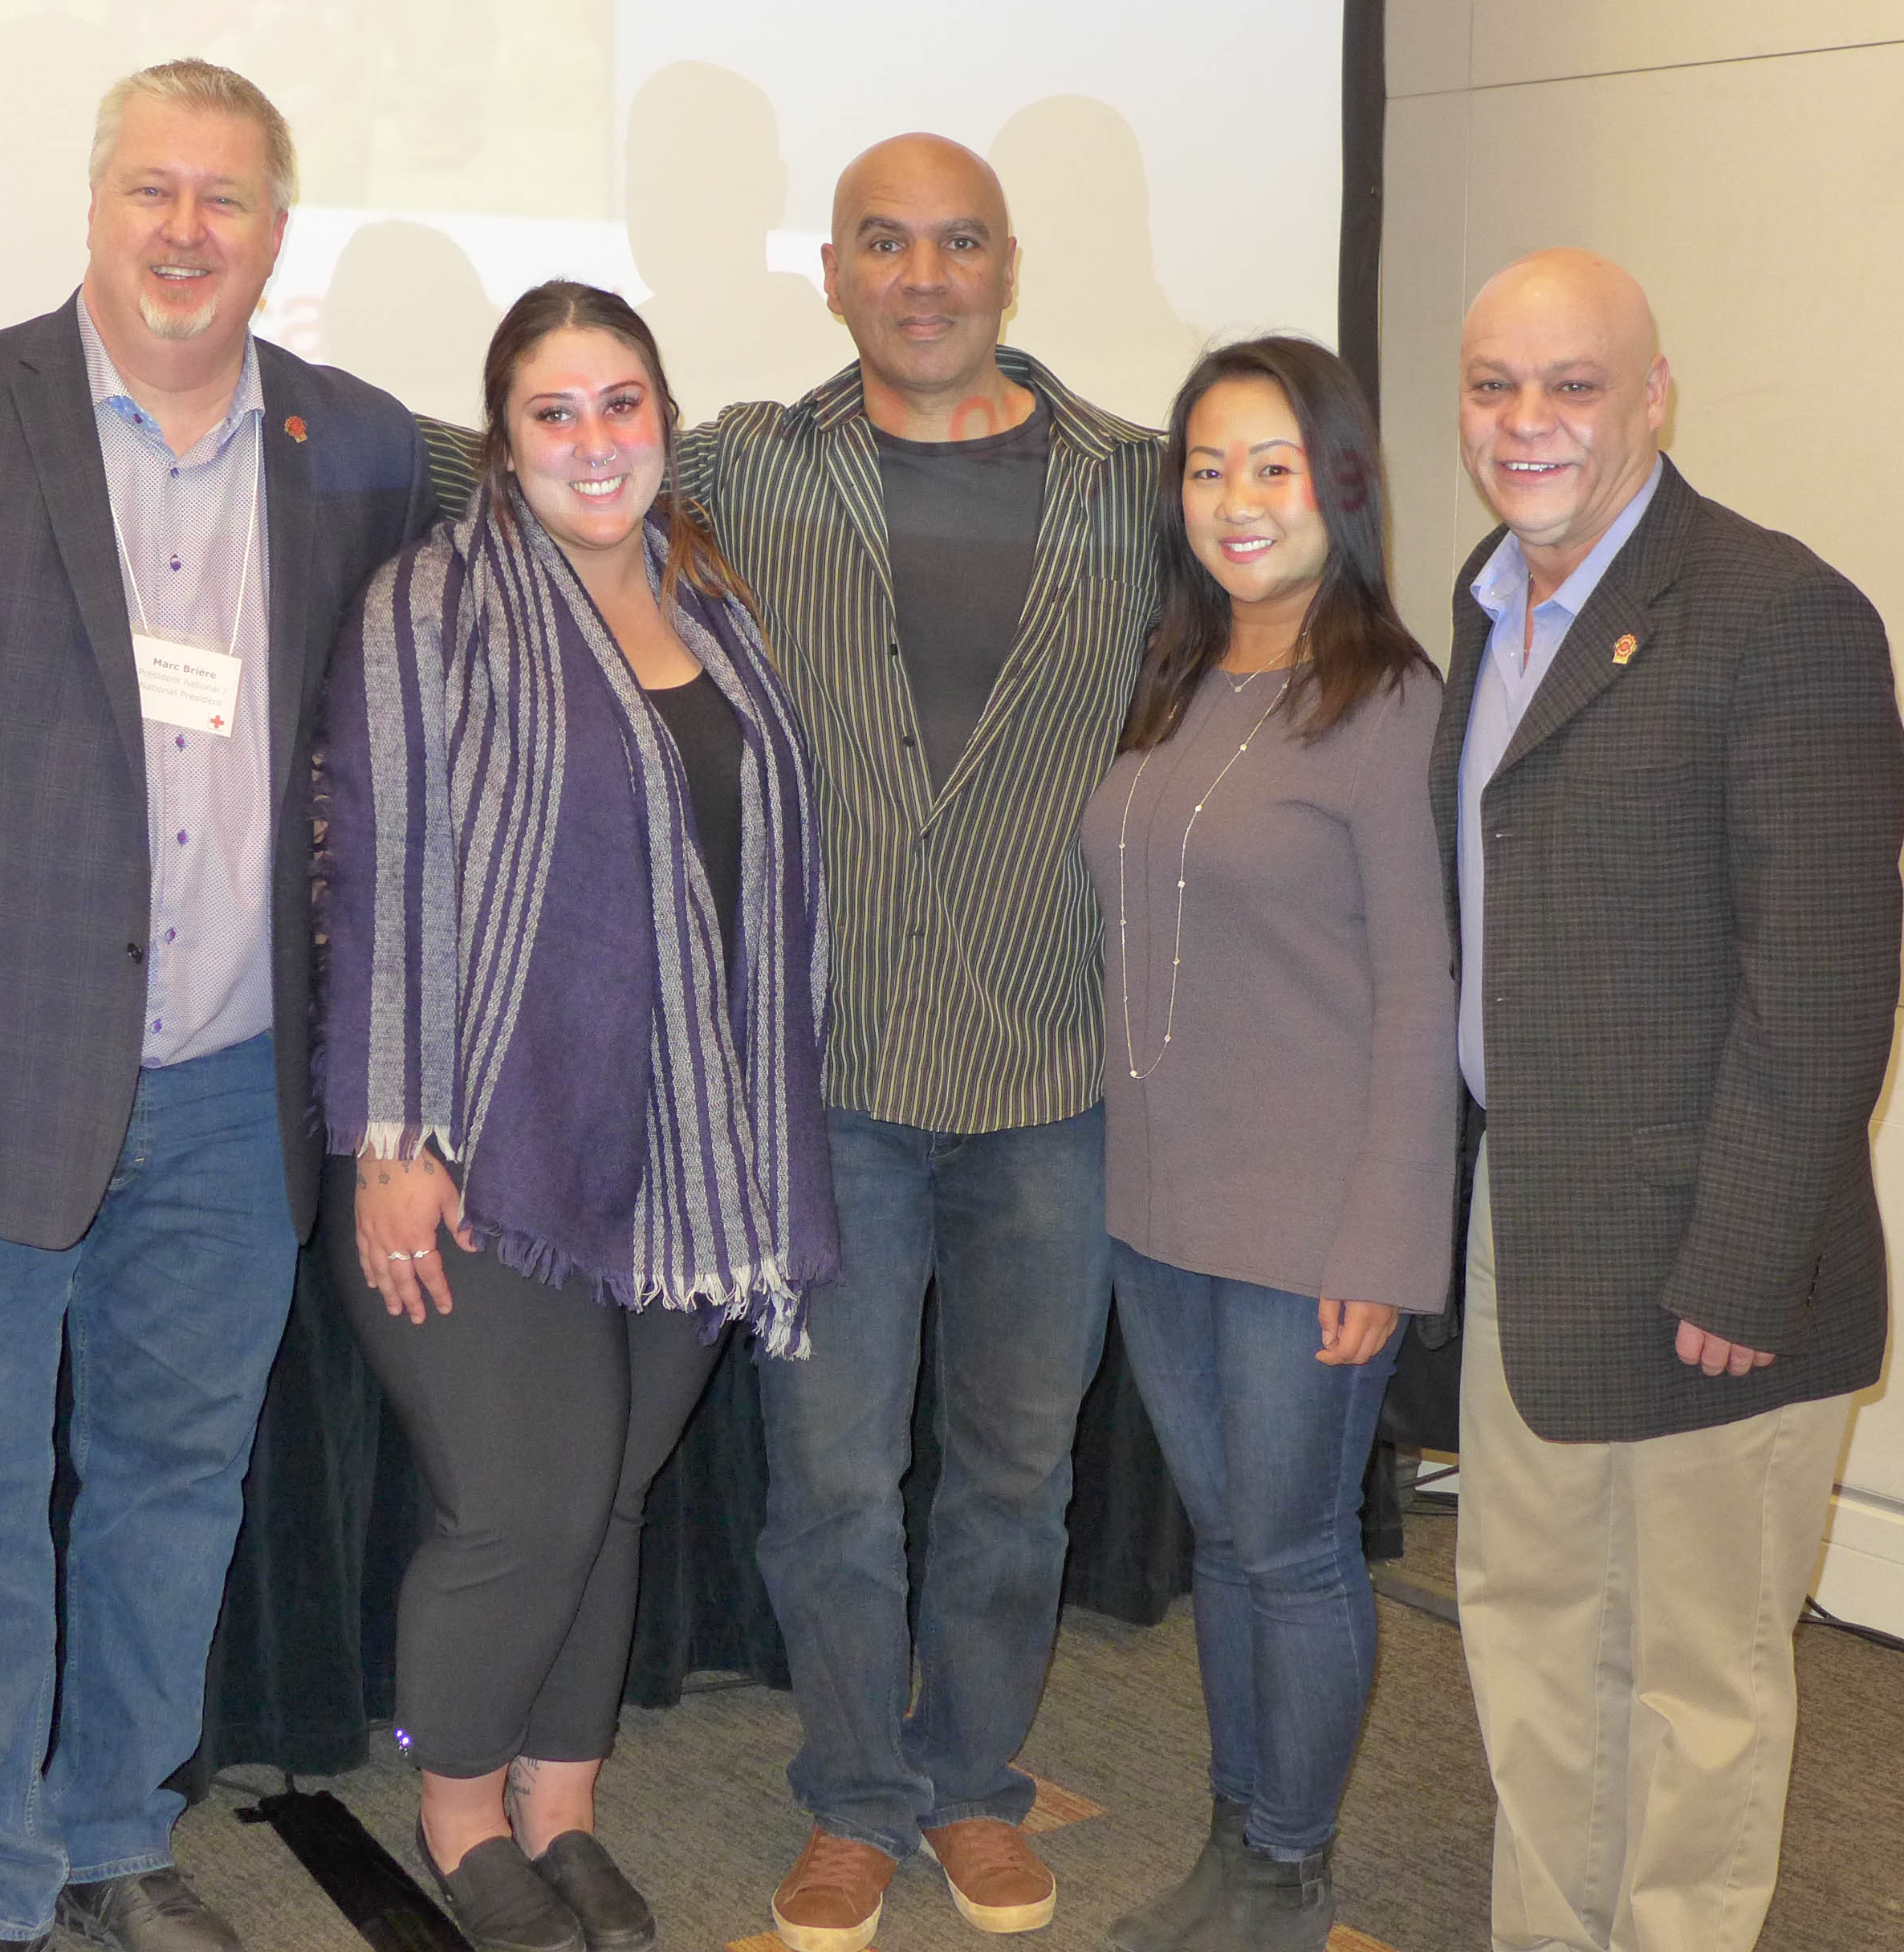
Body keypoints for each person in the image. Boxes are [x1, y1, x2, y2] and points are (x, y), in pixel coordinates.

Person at [0, 61, 433, 1952]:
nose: (186, 231)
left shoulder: (359, 446)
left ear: (277, 235)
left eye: (225, 199)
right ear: (98, 206)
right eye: (153, 191)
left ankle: (117, 1835)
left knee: (173, 1487)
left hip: (231, 1089)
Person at [316, 281, 838, 1952]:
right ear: (502, 441)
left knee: (608, 1491)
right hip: (488, 1149)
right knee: (525, 1502)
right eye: (557, 411)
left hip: (686, 1152)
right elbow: (387, 872)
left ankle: (564, 1805)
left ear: (665, 421)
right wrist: (395, 1138)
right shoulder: (430, 608)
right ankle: (456, 1805)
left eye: (623, 404)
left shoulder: (723, 610)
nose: (596, 441)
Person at [689, 133, 1162, 1952]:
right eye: (885, 242)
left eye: (959, 241)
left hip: (1059, 1072)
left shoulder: (1137, 486)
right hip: (831, 1080)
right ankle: (853, 1804)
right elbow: (525, 450)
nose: (925, 274)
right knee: (828, 1478)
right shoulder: (745, 463)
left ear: (1009, 266)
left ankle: (970, 1781)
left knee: (1016, 1476)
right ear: (830, 272)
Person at [1434, 249, 1904, 1952]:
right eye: (1497, 384)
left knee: (1698, 1684)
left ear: (1653, 397)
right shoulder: (1485, 608)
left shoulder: (1781, 616)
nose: (1529, 420)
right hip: (1532, 1233)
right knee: (1535, 1633)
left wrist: (1744, 1262)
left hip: (1713, 1262)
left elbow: (1828, 979)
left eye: (1573, 385)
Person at [1083, 337, 1456, 1952]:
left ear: (1341, 490)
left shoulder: (1390, 701)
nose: (1236, 501)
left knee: (1293, 1549)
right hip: (1160, 1201)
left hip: (1311, 1220)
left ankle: (1290, 1872)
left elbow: (1420, 996)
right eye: (1209, 467)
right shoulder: (1179, 674)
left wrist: (1383, 1248)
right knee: (1227, 1542)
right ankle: (1236, 1846)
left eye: (1274, 468)